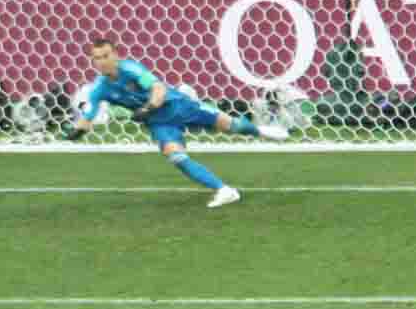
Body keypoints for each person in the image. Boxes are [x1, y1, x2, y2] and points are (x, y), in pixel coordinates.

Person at [63, 38, 288, 208]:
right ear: (92, 61)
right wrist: (77, 131)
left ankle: (261, 131)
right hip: (160, 124)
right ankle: (224, 190)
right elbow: (89, 113)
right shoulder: (100, 87)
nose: (103, 61)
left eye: (106, 55)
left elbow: (158, 88)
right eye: (97, 58)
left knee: (232, 126)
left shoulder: (130, 69)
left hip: (179, 107)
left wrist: (148, 107)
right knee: (176, 156)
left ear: (115, 55)